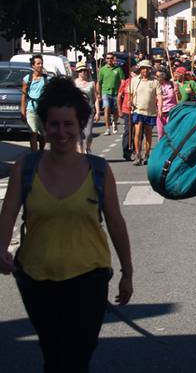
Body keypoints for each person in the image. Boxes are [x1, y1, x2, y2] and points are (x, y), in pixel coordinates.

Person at [0, 77, 133, 373]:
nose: (61, 132)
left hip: (89, 278)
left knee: (76, 354)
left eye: (68, 124)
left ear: (80, 125)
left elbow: (115, 223)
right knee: (53, 352)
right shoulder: (27, 167)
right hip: (36, 278)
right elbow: (7, 215)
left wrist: (127, 272)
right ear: (44, 125)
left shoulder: (98, 170)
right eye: (54, 124)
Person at [129, 60, 161, 166]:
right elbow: (130, 94)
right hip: (137, 110)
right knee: (137, 132)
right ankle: (138, 154)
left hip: (150, 111)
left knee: (148, 134)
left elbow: (159, 96)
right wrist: (130, 102)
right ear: (140, 69)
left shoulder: (155, 81)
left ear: (150, 69)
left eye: (147, 68)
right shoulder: (134, 80)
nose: (145, 70)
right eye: (143, 68)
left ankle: (147, 154)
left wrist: (160, 108)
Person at [20, 55, 48, 152]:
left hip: (43, 111)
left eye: (41, 63)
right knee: (33, 133)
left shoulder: (46, 79)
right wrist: (23, 112)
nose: (40, 65)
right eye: (38, 64)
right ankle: (34, 157)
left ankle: (41, 152)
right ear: (33, 66)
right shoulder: (27, 79)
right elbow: (23, 96)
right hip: (31, 110)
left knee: (44, 136)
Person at [74, 63, 101, 154]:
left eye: (85, 70)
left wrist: (97, 112)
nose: (83, 72)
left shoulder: (91, 83)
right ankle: (80, 153)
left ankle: (88, 148)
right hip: (77, 112)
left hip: (89, 111)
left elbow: (96, 98)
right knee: (78, 134)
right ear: (78, 72)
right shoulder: (74, 83)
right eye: (81, 71)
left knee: (88, 134)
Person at [97, 53, 125, 136]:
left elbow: (123, 81)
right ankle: (107, 128)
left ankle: (114, 122)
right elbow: (99, 82)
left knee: (116, 111)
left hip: (116, 93)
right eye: (108, 58)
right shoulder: (102, 69)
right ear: (106, 59)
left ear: (114, 59)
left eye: (111, 58)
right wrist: (98, 93)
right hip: (106, 92)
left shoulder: (119, 69)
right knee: (107, 109)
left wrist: (122, 91)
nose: (109, 60)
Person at [117, 66, 137, 161]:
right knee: (128, 131)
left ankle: (136, 150)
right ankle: (126, 151)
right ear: (131, 73)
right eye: (135, 72)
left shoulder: (141, 82)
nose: (136, 74)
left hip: (139, 110)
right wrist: (119, 110)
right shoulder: (126, 82)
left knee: (138, 132)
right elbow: (119, 96)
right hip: (127, 110)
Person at [156, 70, 178, 139]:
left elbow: (179, 97)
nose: (157, 78)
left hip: (171, 111)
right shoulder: (156, 86)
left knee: (170, 132)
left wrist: (178, 92)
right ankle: (161, 148)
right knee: (161, 134)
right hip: (161, 111)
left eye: (158, 76)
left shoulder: (172, 85)